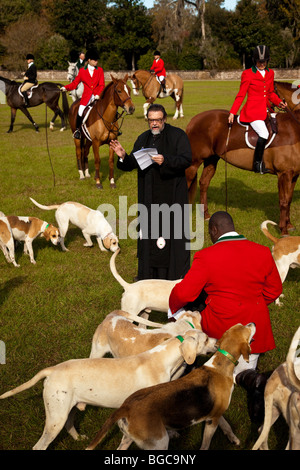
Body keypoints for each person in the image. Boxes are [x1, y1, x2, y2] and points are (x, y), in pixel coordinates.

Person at [169, 211, 282, 422]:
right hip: (254, 331)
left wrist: (173, 308)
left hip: (218, 330)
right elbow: (274, 290)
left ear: (214, 230)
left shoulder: (205, 256)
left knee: (214, 367)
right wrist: (254, 304)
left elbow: (184, 293)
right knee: (241, 373)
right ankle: (252, 378)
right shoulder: (263, 251)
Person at [110, 103, 192, 281]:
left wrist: (166, 160)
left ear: (164, 119)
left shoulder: (178, 136)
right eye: (151, 120)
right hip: (149, 200)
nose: (154, 124)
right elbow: (133, 163)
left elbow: (186, 159)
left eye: (158, 120)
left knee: (171, 240)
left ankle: (174, 279)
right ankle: (148, 278)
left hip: (172, 200)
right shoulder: (143, 138)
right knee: (149, 239)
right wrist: (123, 156)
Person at [228, 45, 287, 174]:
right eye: (259, 61)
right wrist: (232, 112)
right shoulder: (247, 74)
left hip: (266, 110)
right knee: (264, 134)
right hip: (252, 112)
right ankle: (257, 163)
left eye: (264, 61)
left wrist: (279, 102)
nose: (262, 64)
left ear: (268, 60)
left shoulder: (270, 73)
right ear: (255, 61)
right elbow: (241, 94)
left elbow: (270, 93)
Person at [61, 48, 105, 139]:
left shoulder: (100, 70)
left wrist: (98, 94)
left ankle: (113, 128)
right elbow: (75, 83)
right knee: (80, 112)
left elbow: (102, 85)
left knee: (110, 108)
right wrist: (66, 88)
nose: (96, 61)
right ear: (89, 60)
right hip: (86, 98)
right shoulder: (82, 71)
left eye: (97, 60)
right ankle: (77, 130)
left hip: (97, 96)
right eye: (94, 60)